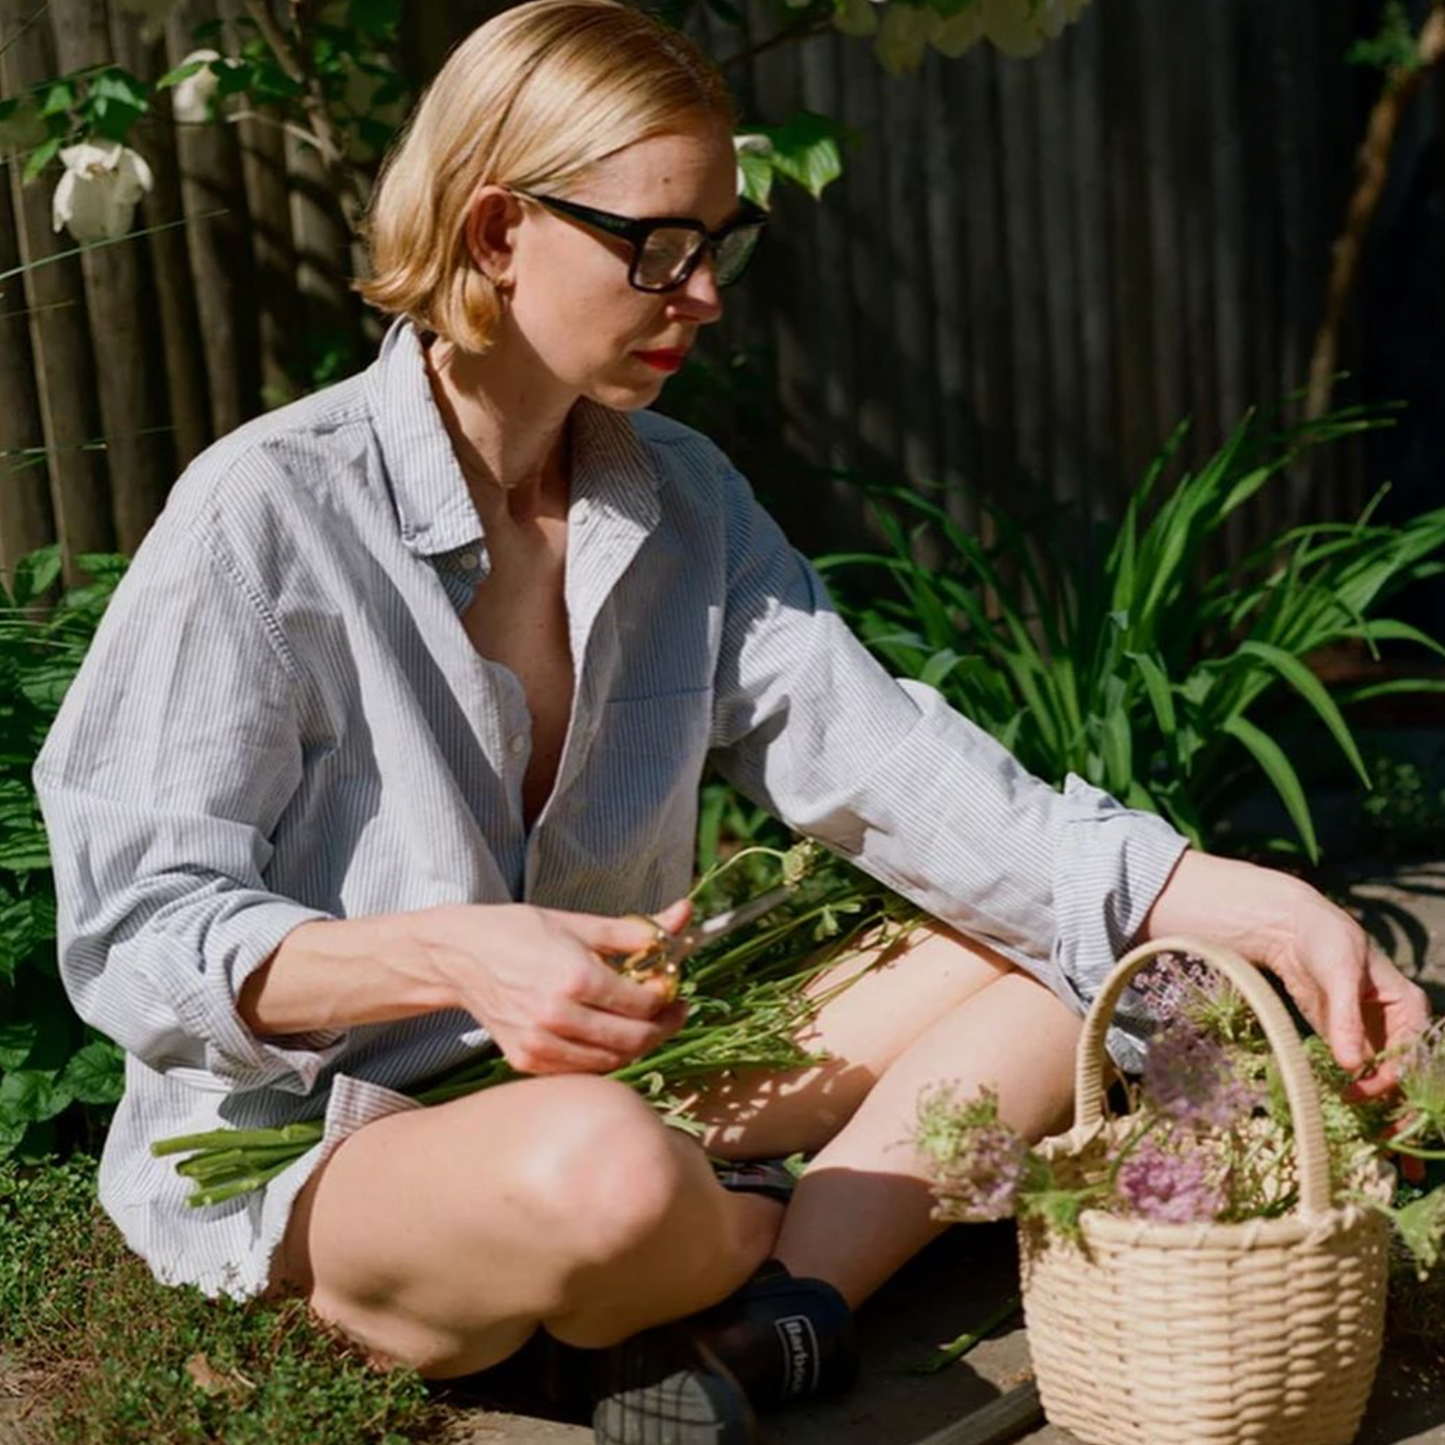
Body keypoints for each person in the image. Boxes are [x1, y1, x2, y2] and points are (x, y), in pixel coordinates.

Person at [33, 3, 1430, 1442]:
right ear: (501, 232)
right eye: (657, 245)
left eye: (717, 242)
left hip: (624, 1076)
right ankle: (723, 1244)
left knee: (1078, 956)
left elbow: (895, 770)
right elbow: (132, 929)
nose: (703, 294)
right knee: (611, 1173)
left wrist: (1226, 896)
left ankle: (783, 1319)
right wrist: (451, 954)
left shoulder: (682, 500)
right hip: (343, 1143)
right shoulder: (268, 512)